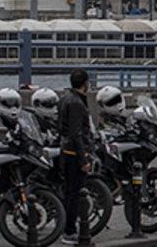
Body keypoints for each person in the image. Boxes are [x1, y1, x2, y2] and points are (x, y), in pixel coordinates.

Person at [58, 69, 92, 245]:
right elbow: (76, 133)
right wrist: (83, 159)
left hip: (65, 151)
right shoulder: (77, 103)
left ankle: (65, 226)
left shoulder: (64, 98)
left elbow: (62, 128)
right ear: (85, 83)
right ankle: (69, 231)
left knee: (68, 193)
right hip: (74, 153)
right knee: (75, 194)